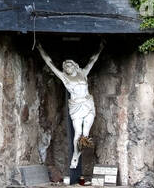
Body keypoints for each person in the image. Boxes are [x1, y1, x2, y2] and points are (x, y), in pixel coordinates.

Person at [37, 41, 104, 170]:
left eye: (69, 66)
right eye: (65, 66)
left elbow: (92, 60)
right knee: (78, 133)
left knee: (85, 134)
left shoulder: (83, 74)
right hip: (76, 106)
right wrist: (40, 49)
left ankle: (78, 154)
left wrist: (100, 48)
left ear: (74, 66)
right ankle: (75, 156)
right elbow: (49, 63)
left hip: (87, 104)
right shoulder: (64, 77)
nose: (67, 68)